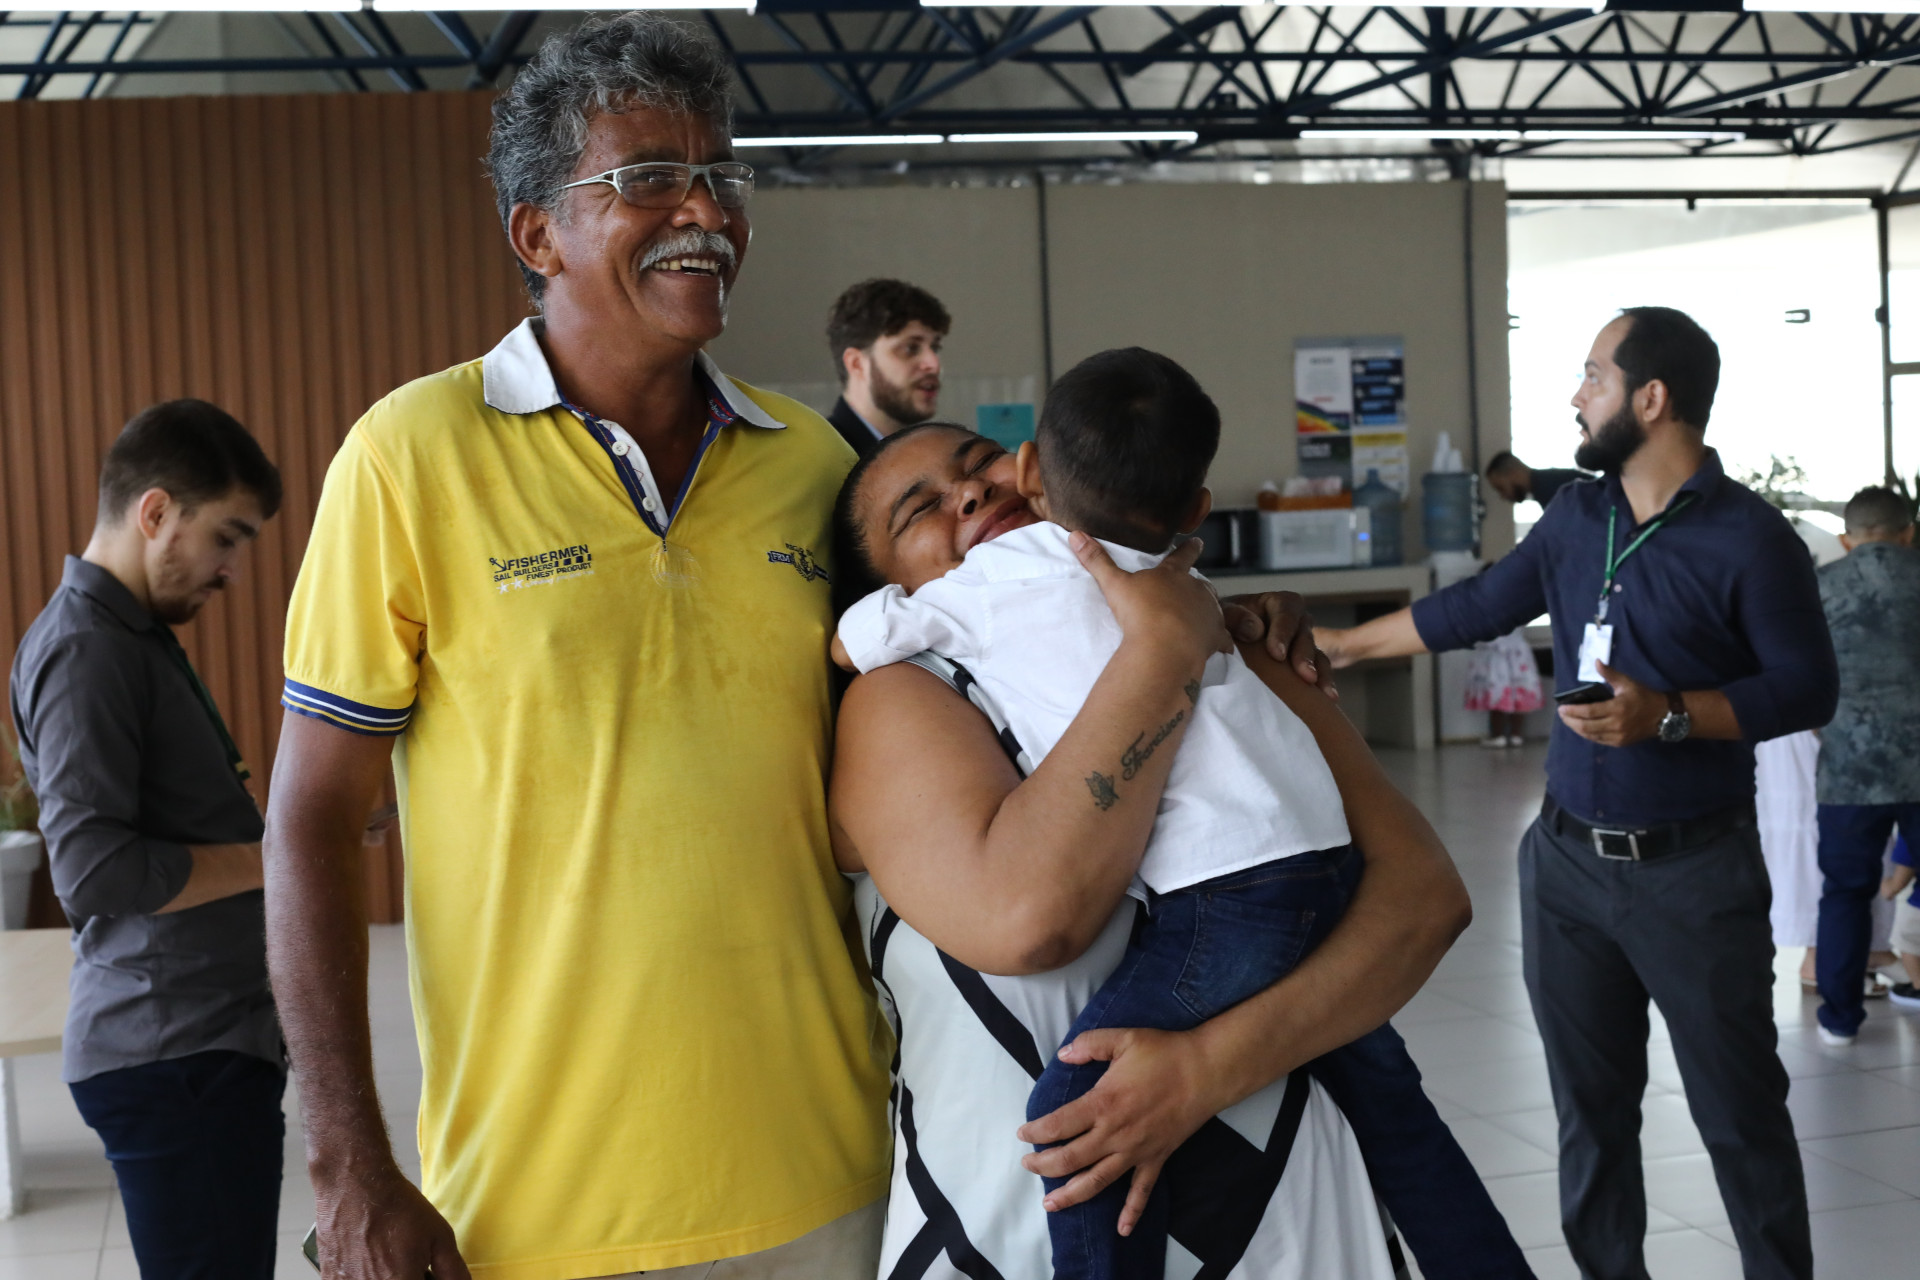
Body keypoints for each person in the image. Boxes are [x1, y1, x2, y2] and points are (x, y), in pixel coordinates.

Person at [262, 15, 1313, 1279]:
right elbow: (312, 817)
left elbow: (1014, 629)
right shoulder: (411, 456)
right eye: (651, 178)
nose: (707, 211)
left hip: (834, 1177)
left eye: (722, 175)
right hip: (540, 1206)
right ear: (537, 234)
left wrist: (1217, 612)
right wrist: (347, 1160)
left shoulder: (813, 467)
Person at [832, 355, 1528, 1280]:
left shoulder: (1229, 630)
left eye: (980, 462)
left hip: (1298, 1207)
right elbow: (1030, 918)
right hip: (1013, 1224)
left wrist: (1206, 1068)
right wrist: (1165, 642)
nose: (969, 493)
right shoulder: (908, 697)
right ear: (885, 583)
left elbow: (1423, 901)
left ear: (1037, 471)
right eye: (917, 510)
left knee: (1395, 1111)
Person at [1315, 306, 1836, 1280]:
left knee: (1740, 1116)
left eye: (1594, 375)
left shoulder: (1751, 538)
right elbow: (1479, 605)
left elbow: (1807, 689)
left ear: (1652, 397)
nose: (1576, 395)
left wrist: (1667, 714)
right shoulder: (1576, 518)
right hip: (1564, 866)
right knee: (1590, 1119)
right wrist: (1341, 644)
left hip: (1696, 872)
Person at [8, 400, 285, 1279]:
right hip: (175, 1057)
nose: (230, 570)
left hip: (201, 1045)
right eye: (226, 538)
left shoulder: (131, 635)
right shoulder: (88, 649)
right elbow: (96, 872)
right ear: (156, 511)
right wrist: (279, 859)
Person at [1811, 484, 1920, 1045]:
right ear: (1909, 533)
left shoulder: (1820, 587)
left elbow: (1801, 677)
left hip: (1849, 770)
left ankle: (1840, 1018)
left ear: (1846, 540)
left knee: (1845, 893)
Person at [826, 277, 948, 453]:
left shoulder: (927, 453)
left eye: (935, 348)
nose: (934, 364)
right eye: (910, 348)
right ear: (857, 364)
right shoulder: (827, 458)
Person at [1465, 626, 1543, 748]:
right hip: (1516, 653)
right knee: (1516, 694)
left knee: (1497, 694)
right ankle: (1515, 734)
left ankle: (1498, 735)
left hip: (1496, 653)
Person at [1485, 449, 1590, 509]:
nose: (1503, 496)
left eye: (1500, 488)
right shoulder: (1548, 483)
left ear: (1513, 473)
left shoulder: (1549, 490)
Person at [1883, 836, 1920, 1005]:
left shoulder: (1914, 828)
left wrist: (1890, 887)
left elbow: (1905, 868)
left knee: (1908, 943)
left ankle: (1918, 986)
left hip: (1918, 906)